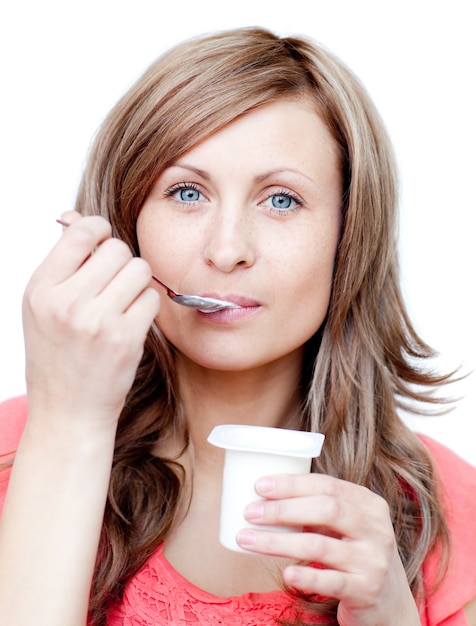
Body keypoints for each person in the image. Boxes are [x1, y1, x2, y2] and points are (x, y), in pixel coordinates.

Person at [0, 26, 475, 626]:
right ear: (128, 221)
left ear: (348, 236)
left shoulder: (454, 518)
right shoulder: (19, 449)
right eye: (187, 192)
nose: (227, 251)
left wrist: (390, 617)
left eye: (281, 200)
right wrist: (69, 426)